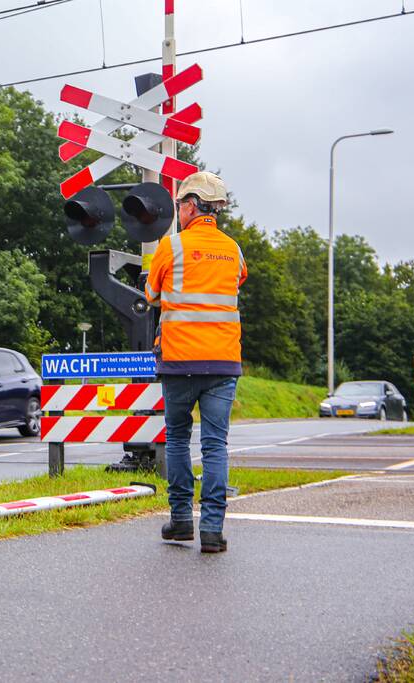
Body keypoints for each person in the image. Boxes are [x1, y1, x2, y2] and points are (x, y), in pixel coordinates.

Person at [144, 171, 246, 554]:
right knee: (215, 444)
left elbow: (152, 295)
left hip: (180, 362)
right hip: (222, 363)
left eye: (179, 207)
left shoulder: (171, 247)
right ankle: (213, 530)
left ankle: (182, 520)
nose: (178, 214)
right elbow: (237, 282)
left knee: (178, 438)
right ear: (215, 209)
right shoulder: (233, 250)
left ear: (189, 206)